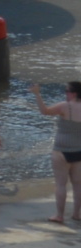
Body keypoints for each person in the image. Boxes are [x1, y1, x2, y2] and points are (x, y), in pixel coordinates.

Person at [40, 81, 81, 225]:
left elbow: (44, 111)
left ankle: (60, 216)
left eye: (67, 90)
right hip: (79, 151)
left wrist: (37, 94)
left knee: (61, 185)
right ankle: (77, 214)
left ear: (74, 93)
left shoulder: (65, 106)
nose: (65, 93)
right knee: (78, 186)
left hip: (62, 151)